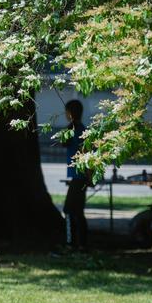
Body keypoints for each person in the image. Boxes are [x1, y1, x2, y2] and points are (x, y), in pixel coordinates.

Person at [62, 100, 88, 249]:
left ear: (70, 113)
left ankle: (71, 243)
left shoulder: (72, 128)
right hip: (81, 176)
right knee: (77, 211)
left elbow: (64, 143)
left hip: (78, 177)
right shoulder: (83, 129)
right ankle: (80, 244)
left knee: (69, 210)